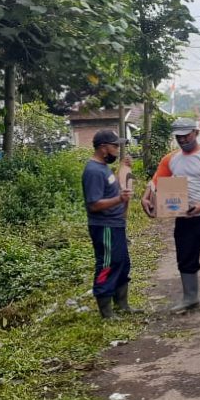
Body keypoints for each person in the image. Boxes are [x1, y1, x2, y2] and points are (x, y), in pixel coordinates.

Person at [141, 118, 200, 315]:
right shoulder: (171, 159)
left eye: (186, 136)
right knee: (186, 256)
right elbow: (156, 180)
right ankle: (190, 298)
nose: (182, 140)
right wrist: (146, 197)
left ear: (196, 133)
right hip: (184, 216)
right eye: (178, 137)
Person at [82, 129, 135, 320]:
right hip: (104, 226)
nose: (117, 149)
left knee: (122, 262)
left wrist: (122, 168)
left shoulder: (103, 168)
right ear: (103, 148)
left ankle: (122, 304)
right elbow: (94, 204)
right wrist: (120, 199)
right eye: (114, 146)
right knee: (107, 264)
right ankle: (106, 310)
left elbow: (109, 187)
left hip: (115, 224)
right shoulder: (93, 171)